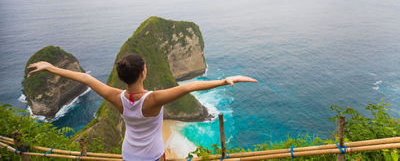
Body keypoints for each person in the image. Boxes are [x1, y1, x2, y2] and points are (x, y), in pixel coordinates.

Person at [27, 53, 257, 161]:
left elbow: (85, 79)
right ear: (144, 72)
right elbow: (191, 87)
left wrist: (51, 68)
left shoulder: (116, 97)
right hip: (153, 155)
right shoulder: (153, 99)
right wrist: (225, 80)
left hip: (128, 154)